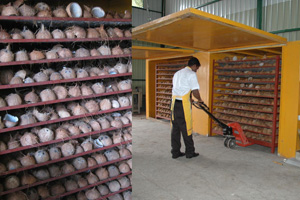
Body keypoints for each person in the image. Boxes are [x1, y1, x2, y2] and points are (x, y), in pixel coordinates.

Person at [170, 57, 203, 159]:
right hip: (183, 106)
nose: (196, 70)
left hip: (174, 103)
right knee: (186, 128)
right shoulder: (191, 74)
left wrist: (190, 99)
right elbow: (195, 91)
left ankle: (175, 152)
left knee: (175, 129)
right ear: (194, 65)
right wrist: (200, 100)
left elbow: (179, 89)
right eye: (196, 68)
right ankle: (189, 152)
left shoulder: (177, 73)